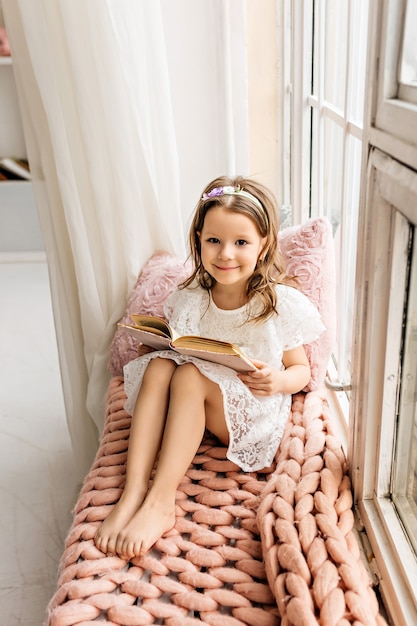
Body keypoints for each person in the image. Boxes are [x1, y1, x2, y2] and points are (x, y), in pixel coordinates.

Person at [94, 174, 325, 559]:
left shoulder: (277, 303)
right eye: (213, 241)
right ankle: (134, 490)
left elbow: (301, 370)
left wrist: (277, 381)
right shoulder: (190, 296)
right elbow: (182, 348)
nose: (225, 254)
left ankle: (160, 502)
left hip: (248, 409)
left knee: (187, 373)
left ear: (264, 244)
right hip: (197, 396)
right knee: (160, 366)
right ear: (199, 239)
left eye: (241, 243)